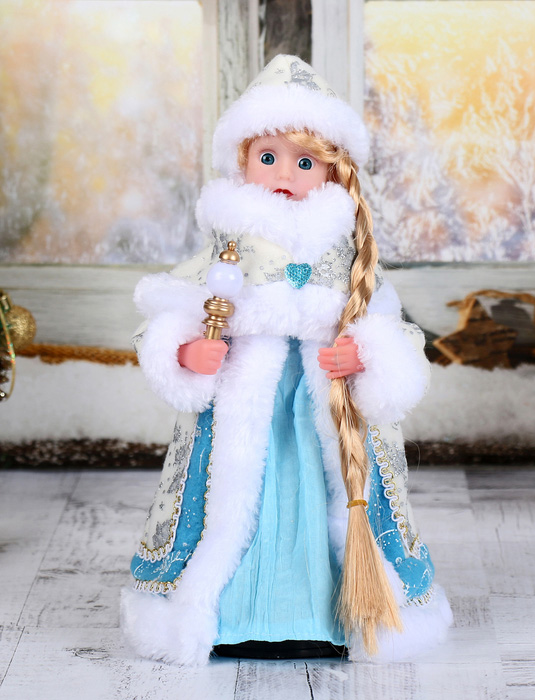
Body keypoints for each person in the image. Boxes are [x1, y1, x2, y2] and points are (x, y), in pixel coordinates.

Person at [121, 55, 452, 666]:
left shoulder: (347, 249)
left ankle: (332, 613)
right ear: (242, 160)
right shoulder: (227, 243)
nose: (283, 173)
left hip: (326, 404)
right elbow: (171, 310)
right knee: (231, 498)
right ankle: (232, 614)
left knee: (329, 498)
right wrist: (187, 351)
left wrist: (366, 353)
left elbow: (393, 327)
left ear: (330, 170)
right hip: (243, 404)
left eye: (304, 162)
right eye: (267, 157)